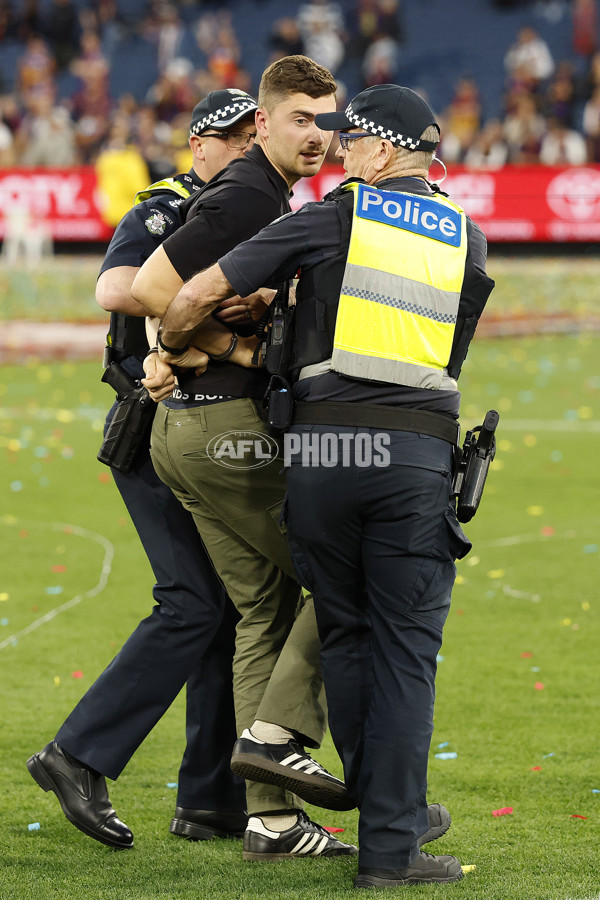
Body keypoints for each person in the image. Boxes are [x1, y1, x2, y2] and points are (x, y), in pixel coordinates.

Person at [143, 83, 495, 888]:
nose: (339, 153)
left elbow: (197, 293)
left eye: (350, 142)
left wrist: (170, 348)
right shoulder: (466, 238)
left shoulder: (335, 216)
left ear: (378, 150)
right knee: (406, 653)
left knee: (343, 634)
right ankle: (391, 848)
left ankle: (356, 800)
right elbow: (449, 349)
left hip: (324, 458)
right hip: (413, 455)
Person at [131, 55, 362, 862]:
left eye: (327, 122)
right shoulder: (248, 193)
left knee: (264, 611)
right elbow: (142, 285)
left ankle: (268, 819)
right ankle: (274, 738)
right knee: (349, 576)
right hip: (224, 433)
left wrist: (182, 349)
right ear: (262, 123)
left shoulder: (266, 195)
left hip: (188, 435)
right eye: (301, 119)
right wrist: (213, 340)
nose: (317, 136)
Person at [26, 89, 262, 851]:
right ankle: (78, 754)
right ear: (197, 145)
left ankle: (209, 799)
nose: (240, 148)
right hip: (154, 424)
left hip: (211, 428)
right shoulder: (171, 206)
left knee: (223, 609)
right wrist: (212, 296)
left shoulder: (253, 209)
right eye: (228, 137)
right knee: (195, 603)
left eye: (249, 136)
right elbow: (113, 286)